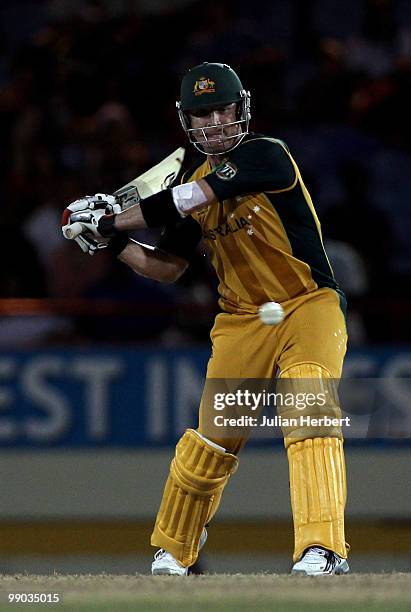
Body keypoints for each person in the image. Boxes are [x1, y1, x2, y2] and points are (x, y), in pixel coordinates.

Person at [62, 62, 350, 576]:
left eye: (222, 109)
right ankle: (173, 552)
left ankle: (321, 549)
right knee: (213, 440)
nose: (215, 122)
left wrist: (108, 216)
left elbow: (190, 198)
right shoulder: (193, 181)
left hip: (307, 304)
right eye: (202, 114)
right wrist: (112, 241)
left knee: (310, 414)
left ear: (242, 109)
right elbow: (166, 267)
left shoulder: (267, 155)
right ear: (187, 123)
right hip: (243, 321)